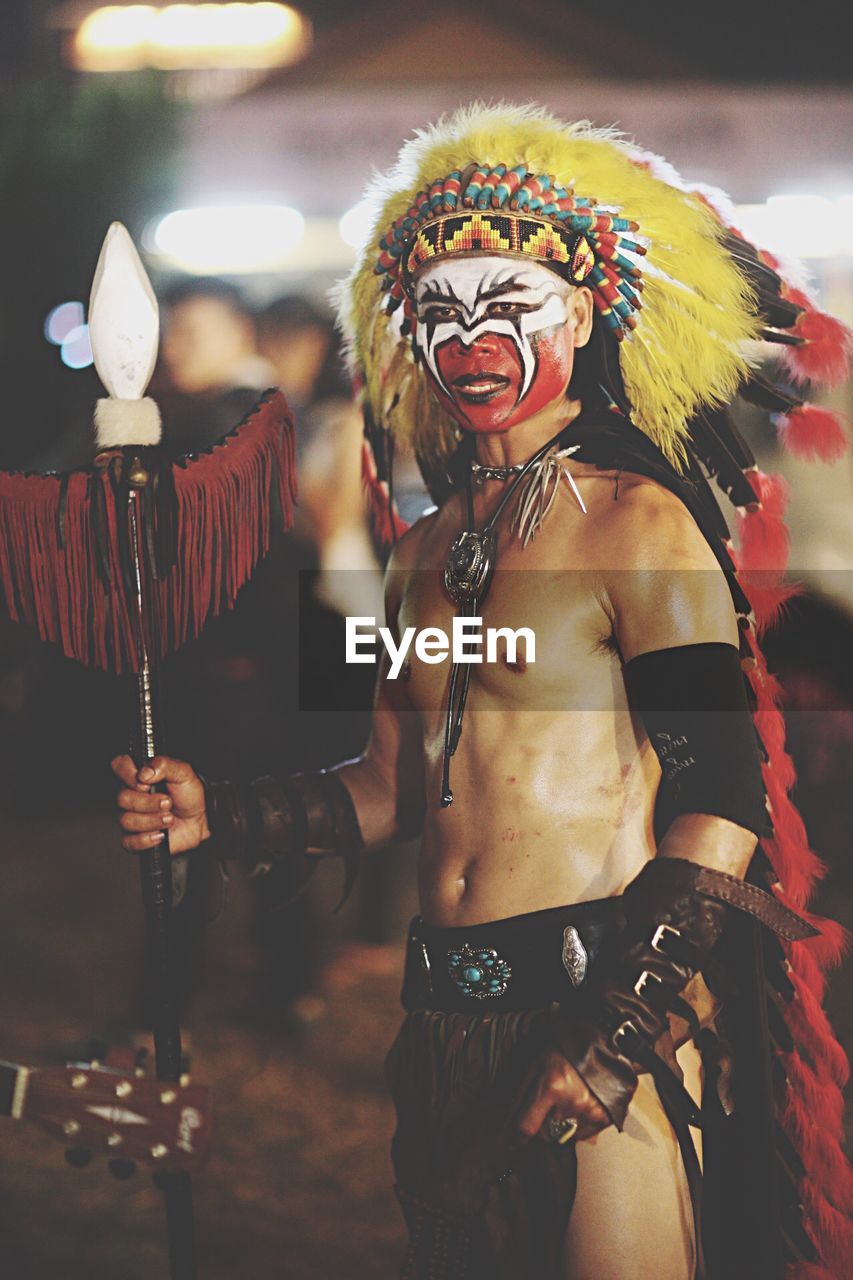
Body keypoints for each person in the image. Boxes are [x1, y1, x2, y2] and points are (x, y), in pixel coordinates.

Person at [112, 106, 850, 1278]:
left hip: (601, 998)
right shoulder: (422, 548)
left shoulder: (634, 521)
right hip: (444, 1014)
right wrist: (225, 811)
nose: (472, 336)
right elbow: (387, 785)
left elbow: (725, 798)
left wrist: (615, 1035)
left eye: (509, 304)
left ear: (581, 315)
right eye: (442, 311)